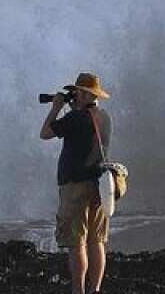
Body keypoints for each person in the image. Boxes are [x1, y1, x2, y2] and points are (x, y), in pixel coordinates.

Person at [40, 72, 113, 294]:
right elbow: (85, 130)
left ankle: (78, 290)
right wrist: (72, 107)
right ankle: (96, 289)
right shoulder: (104, 117)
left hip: (75, 186)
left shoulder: (75, 119)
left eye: (77, 92)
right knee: (96, 241)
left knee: (76, 243)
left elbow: (45, 133)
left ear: (82, 93)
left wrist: (55, 107)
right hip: (99, 185)